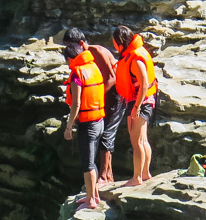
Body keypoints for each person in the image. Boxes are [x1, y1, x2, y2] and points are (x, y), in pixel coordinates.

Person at [63, 28, 119, 183]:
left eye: (72, 46)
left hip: (115, 96)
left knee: (107, 134)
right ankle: (106, 175)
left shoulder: (96, 52)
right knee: (100, 135)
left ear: (81, 43)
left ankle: (104, 176)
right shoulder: (83, 62)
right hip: (99, 100)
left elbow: (112, 79)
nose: (70, 51)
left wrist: (93, 98)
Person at [62, 42, 107, 209]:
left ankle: (91, 201)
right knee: (92, 161)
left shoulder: (77, 74)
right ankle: (93, 194)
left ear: (69, 59)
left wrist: (69, 127)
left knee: (87, 164)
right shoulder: (93, 67)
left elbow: (76, 104)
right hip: (100, 121)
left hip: (88, 125)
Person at [112, 25, 157, 186]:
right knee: (142, 140)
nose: (114, 46)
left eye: (115, 43)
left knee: (137, 141)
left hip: (141, 102)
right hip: (141, 100)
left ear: (121, 43)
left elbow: (144, 83)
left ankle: (136, 178)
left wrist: (136, 107)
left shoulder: (135, 58)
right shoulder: (133, 53)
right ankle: (145, 173)